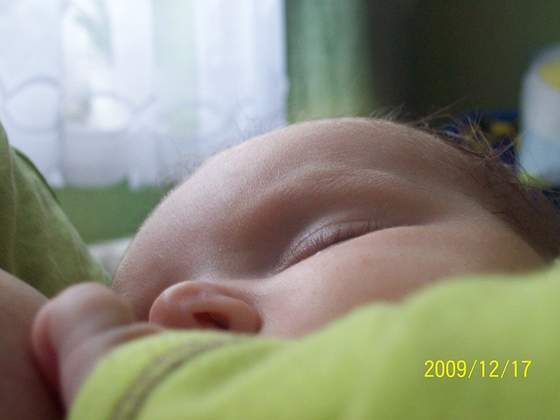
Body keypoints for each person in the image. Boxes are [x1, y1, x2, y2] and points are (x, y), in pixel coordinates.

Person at [3, 118, 560, 419]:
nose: (174, 313)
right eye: (141, 329)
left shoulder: (504, 364)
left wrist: (134, 387)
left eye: (324, 241)